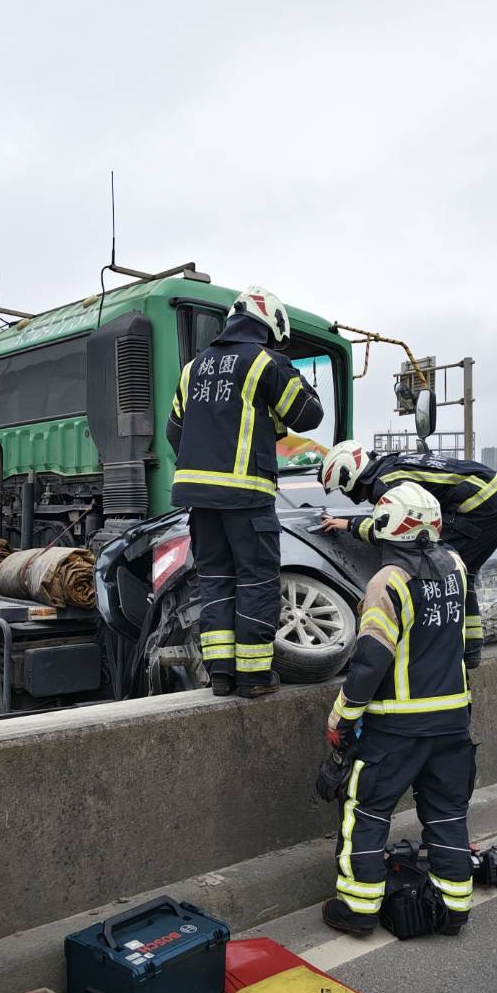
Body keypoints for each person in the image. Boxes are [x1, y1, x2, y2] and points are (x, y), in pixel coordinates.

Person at [322, 482, 479, 937]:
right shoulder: (456, 566)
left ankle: (358, 909)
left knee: (367, 812)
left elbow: (371, 660)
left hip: (397, 727)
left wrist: (342, 716)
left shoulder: (388, 583)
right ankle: (454, 909)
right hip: (453, 720)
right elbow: (471, 631)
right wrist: (468, 660)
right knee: (447, 813)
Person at [166, 286, 323, 697]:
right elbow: (308, 415)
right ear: (271, 322)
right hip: (246, 496)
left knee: (216, 580)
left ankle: (220, 674)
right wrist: (293, 375)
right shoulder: (265, 361)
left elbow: (174, 431)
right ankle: (253, 677)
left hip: (199, 499)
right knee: (256, 581)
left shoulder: (193, 368)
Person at [317, 440, 497, 584]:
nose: (347, 495)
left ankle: (449, 628)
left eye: (343, 489)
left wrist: (350, 524)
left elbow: (394, 533)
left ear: (349, 476)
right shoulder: (391, 468)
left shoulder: (387, 484)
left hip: (482, 505)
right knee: (462, 572)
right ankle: (463, 630)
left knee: (443, 569)